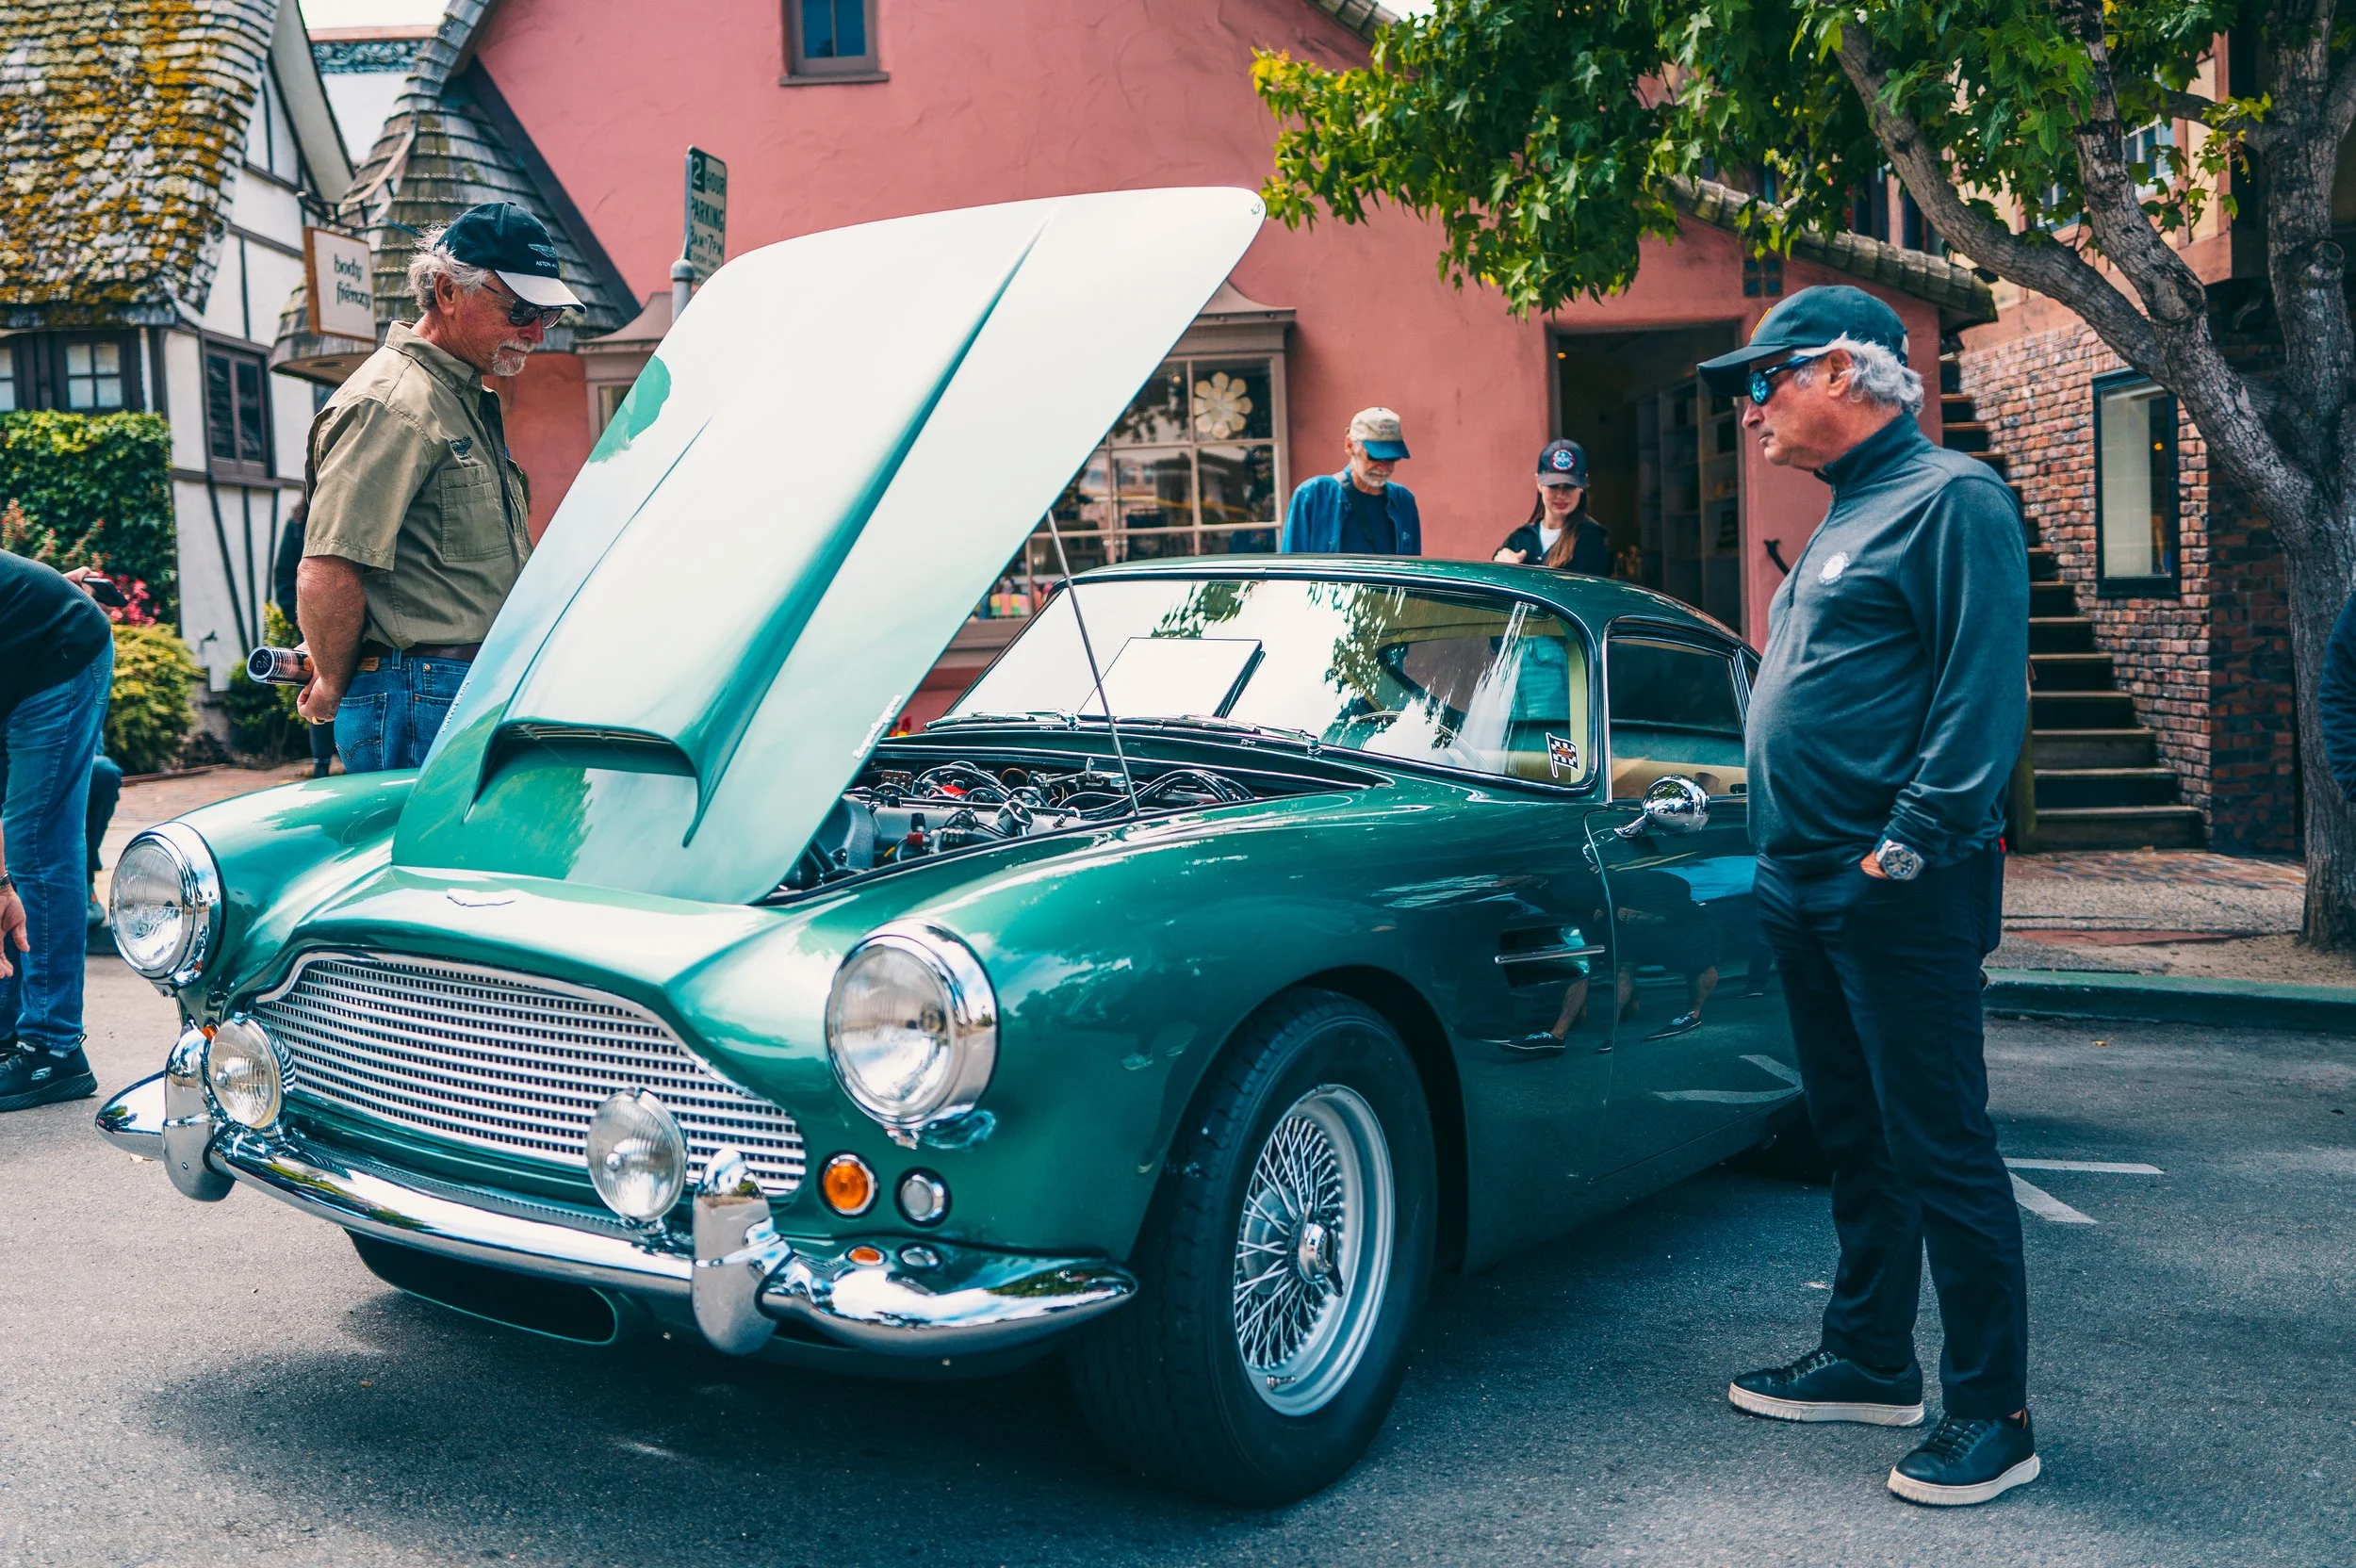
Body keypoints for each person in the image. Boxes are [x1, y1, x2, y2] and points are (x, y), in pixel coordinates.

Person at [1695, 286, 2036, 1507]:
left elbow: (1983, 689)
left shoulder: (1955, 500)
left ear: (1843, 369)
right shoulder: (1846, 517)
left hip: (1895, 887)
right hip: (1801, 881)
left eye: (1766, 377)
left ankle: (1994, 1412)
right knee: (1854, 1138)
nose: (1750, 408)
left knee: (1942, 1145)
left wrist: (1913, 842)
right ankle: (1868, 1357)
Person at [296, 201, 581, 772]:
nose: (534, 332)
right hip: (419, 694)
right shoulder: (392, 402)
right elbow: (329, 568)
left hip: (448, 689)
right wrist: (330, 682)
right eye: (521, 308)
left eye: (546, 314)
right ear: (447, 292)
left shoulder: (453, 396)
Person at [0, 548, 115, 1112]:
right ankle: (7, 1028)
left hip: (57, 655)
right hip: (20, 651)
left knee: (35, 846)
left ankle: (52, 1048)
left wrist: (0, 883)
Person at [1281, 407, 1422, 555]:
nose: (1383, 467)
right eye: (1374, 456)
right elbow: (1289, 570)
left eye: (1392, 458)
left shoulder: (1404, 501)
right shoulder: (1312, 496)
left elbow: (1414, 570)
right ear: (1349, 446)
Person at [272, 502, 337, 778]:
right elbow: (285, 577)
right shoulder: (299, 522)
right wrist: (304, 621)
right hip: (315, 625)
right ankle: (321, 762)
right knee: (317, 685)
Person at [1494, 438, 1610, 573]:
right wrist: (1500, 564)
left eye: (1569, 486)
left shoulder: (1591, 539)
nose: (1561, 495)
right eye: (1553, 486)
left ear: (1583, 485)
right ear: (1538, 482)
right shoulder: (1520, 538)